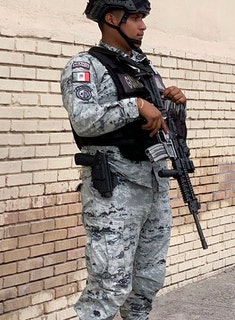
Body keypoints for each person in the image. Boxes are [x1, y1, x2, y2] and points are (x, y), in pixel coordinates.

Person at [60, 1, 188, 319]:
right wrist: (136, 106)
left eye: (143, 19)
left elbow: (160, 129)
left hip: (154, 182)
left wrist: (173, 105)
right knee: (108, 286)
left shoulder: (145, 70)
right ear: (111, 19)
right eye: (134, 18)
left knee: (147, 281)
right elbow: (83, 120)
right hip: (114, 188)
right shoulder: (85, 66)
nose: (142, 26)